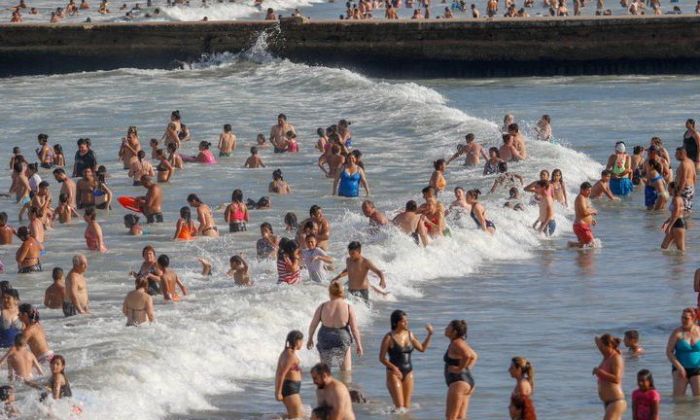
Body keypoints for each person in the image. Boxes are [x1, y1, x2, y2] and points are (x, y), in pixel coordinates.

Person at [379, 310, 433, 410]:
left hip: (409, 372)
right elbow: (382, 358)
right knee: (400, 408)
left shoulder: (410, 334)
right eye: (403, 321)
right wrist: (394, 368)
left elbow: (422, 348)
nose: (406, 323)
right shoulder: (389, 337)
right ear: (396, 322)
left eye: (407, 321)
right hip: (394, 373)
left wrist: (429, 334)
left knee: (406, 407)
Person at [307, 282, 363, 372]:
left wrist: (310, 339)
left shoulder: (322, 306)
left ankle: (325, 385)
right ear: (342, 292)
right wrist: (359, 345)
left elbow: (313, 325)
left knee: (324, 371)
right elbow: (354, 329)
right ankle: (345, 384)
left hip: (325, 337)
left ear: (330, 292)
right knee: (346, 372)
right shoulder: (348, 307)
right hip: (342, 337)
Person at [444, 320, 478, 420]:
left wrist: (460, 369)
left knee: (451, 417)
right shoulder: (460, 343)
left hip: (458, 383)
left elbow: (468, 355)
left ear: (454, 332)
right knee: (460, 417)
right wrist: (466, 369)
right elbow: (474, 356)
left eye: (448, 327)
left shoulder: (456, 343)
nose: (445, 328)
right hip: (465, 381)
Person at [666, 307, 700, 397]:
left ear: (694, 319)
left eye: (686, 318)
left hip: (697, 368)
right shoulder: (677, 333)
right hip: (680, 368)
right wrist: (680, 367)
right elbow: (669, 352)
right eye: (682, 317)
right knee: (678, 399)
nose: (683, 320)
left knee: (698, 400)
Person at [593, 334, 627, 420]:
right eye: (600, 346)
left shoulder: (616, 358)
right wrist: (602, 341)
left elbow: (617, 379)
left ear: (610, 345)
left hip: (616, 401)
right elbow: (596, 338)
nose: (601, 349)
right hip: (608, 402)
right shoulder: (606, 356)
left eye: (603, 346)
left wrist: (600, 372)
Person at [275, 331, 304, 419]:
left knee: (297, 415)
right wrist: (278, 392)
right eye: (302, 340)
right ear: (297, 341)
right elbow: (281, 374)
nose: (303, 343)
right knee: (297, 417)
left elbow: (284, 371)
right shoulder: (290, 356)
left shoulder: (287, 353)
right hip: (290, 389)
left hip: (291, 388)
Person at [568, 182, 598, 248]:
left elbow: (585, 211)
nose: (590, 192)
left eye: (590, 190)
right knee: (592, 244)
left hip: (582, 225)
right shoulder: (581, 198)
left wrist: (591, 219)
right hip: (581, 226)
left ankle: (572, 246)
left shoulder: (584, 198)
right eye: (588, 190)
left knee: (585, 245)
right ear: (582, 190)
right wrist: (593, 211)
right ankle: (571, 245)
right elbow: (584, 212)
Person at [661, 182, 686, 251]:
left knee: (681, 249)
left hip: (678, 225)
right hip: (675, 223)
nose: (668, 189)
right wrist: (666, 222)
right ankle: (671, 261)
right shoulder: (675, 198)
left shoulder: (677, 199)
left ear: (673, 189)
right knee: (664, 247)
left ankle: (681, 261)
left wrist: (669, 226)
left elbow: (677, 213)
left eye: (669, 188)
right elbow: (674, 214)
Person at [674, 147, 696, 214]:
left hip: (684, 189)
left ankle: (686, 224)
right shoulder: (690, 161)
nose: (675, 155)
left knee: (683, 210)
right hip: (690, 188)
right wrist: (692, 187)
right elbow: (694, 176)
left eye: (677, 154)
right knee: (687, 209)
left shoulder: (684, 164)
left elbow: (683, 179)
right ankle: (688, 223)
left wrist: (679, 192)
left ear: (682, 154)